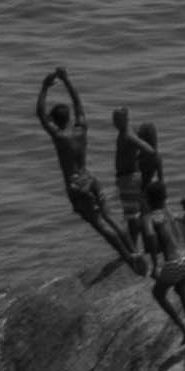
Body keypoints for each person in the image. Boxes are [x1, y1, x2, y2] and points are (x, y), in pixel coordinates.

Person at [36, 67, 133, 267]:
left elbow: (40, 115)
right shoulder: (81, 129)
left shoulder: (60, 137)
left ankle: (128, 257)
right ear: (69, 118)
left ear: (55, 121)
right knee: (110, 217)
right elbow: (78, 104)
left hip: (76, 186)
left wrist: (45, 87)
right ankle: (134, 250)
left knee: (99, 224)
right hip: (90, 178)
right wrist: (66, 80)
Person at [138, 193, 185, 345]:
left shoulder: (149, 217)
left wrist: (155, 264)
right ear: (165, 198)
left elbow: (150, 236)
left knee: (158, 293)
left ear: (148, 202)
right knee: (181, 288)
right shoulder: (178, 213)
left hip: (174, 262)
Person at [111, 105, 147, 257]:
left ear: (125, 119)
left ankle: (134, 248)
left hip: (129, 178)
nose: (113, 122)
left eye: (117, 119)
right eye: (113, 118)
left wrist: (138, 162)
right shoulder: (126, 132)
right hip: (128, 177)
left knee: (132, 216)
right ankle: (136, 245)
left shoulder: (127, 135)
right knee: (134, 214)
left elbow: (148, 149)